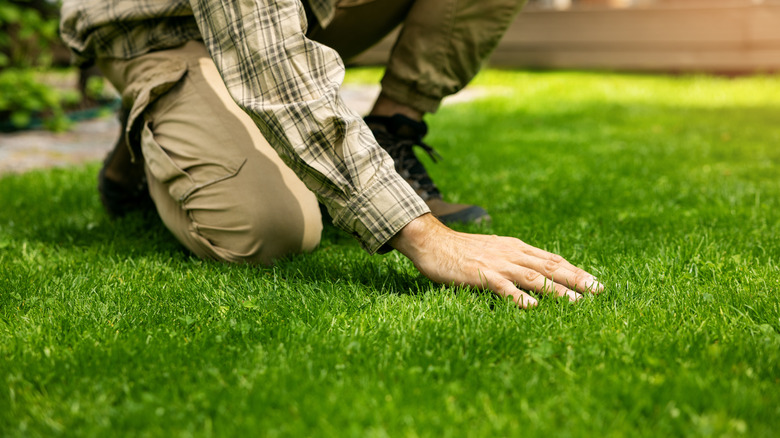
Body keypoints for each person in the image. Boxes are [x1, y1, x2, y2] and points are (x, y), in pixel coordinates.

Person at [60, 0, 604, 308]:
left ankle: (390, 129)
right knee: (271, 231)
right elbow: (273, 69)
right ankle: (155, 119)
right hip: (161, 32)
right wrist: (424, 235)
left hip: (298, 10)